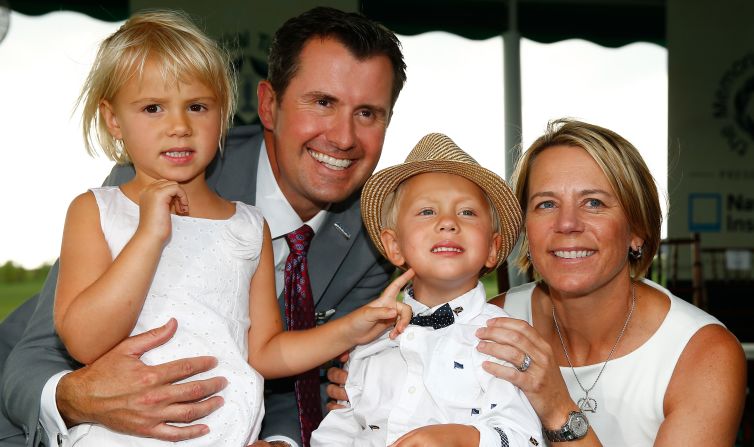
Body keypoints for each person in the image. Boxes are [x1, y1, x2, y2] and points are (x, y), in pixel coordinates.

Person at [0, 7, 407, 447]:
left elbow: (330, 381)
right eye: (323, 102)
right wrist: (80, 398)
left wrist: (281, 442)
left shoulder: (376, 235)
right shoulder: (146, 181)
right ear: (268, 105)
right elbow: (45, 350)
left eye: (368, 113)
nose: (344, 138)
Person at [327, 119, 748, 446]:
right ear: (526, 226)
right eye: (547, 204)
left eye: (594, 203)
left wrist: (558, 409)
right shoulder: (492, 318)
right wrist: (374, 388)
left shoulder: (703, 355)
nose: (567, 224)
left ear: (637, 229)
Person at [312, 133, 543, 446]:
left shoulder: (502, 341)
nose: (448, 223)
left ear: (492, 248)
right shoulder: (369, 339)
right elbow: (340, 430)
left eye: (467, 212)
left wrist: (464, 439)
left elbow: (524, 437)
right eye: (427, 212)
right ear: (394, 246)